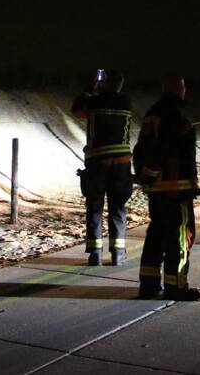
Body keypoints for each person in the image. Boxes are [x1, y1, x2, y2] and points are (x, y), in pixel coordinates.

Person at [132, 74, 200, 301]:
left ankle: (149, 285)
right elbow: (161, 148)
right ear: (177, 88)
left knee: (156, 234)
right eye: (182, 86)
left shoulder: (153, 112)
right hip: (176, 188)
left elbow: (141, 148)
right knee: (180, 235)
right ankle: (177, 286)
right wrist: (152, 173)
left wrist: (147, 176)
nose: (185, 89)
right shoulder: (175, 114)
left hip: (158, 190)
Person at [71, 70, 134, 266]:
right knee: (118, 208)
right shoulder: (126, 103)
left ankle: (95, 254)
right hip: (122, 163)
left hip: (97, 162)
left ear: (105, 83)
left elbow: (77, 111)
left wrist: (90, 89)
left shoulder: (94, 101)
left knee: (95, 207)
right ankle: (117, 254)